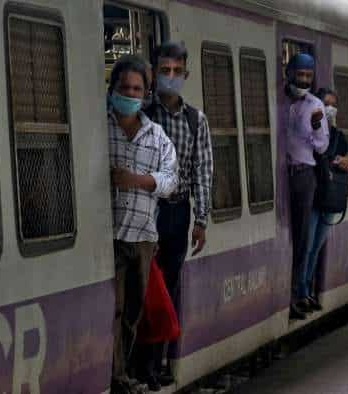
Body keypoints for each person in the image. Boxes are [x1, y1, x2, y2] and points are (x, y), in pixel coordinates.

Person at [139, 41, 213, 389]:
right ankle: (144, 365)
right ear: (153, 73)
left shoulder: (195, 120)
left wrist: (201, 220)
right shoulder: (141, 114)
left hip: (178, 212)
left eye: (176, 72)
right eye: (164, 70)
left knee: (166, 287)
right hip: (145, 211)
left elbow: (202, 169)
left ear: (186, 74)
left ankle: (159, 362)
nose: (170, 77)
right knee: (143, 287)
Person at [107, 54, 178, 394]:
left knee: (133, 312)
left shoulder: (157, 136)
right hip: (108, 237)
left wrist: (135, 180)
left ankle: (124, 371)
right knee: (115, 309)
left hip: (143, 237)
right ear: (112, 89)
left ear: (145, 94)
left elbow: (170, 182)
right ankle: (117, 378)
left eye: (136, 89)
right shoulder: (99, 129)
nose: (130, 94)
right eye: (124, 88)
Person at [284, 53, 330, 320]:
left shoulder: (316, 106)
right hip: (281, 173)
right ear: (289, 73)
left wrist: (315, 129)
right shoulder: (280, 101)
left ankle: (297, 293)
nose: (303, 80)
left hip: (303, 175)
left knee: (301, 237)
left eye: (308, 76)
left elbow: (322, 146)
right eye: (299, 74)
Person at [300, 88, 348, 311]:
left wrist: (343, 162)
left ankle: (307, 289)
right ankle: (301, 291)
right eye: (325, 103)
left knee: (317, 246)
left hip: (330, 197)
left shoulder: (339, 137)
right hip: (312, 196)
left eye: (333, 104)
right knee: (307, 246)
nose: (329, 108)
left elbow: (347, 161)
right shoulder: (308, 131)